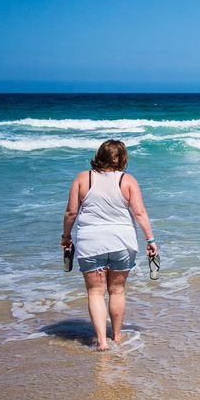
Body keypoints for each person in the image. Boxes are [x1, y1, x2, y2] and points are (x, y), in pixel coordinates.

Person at [61, 140, 158, 351]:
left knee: (95, 292)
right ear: (122, 158)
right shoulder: (127, 180)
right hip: (122, 242)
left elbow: (71, 212)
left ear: (99, 155)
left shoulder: (83, 178)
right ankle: (117, 335)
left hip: (91, 243)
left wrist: (66, 237)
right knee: (117, 290)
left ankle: (102, 342)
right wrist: (150, 240)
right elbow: (139, 213)